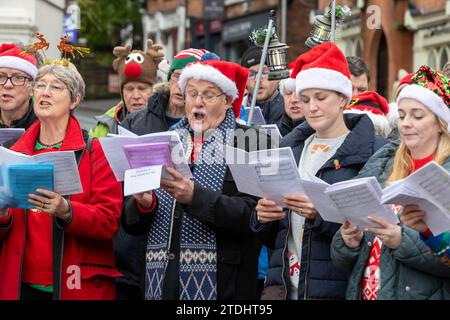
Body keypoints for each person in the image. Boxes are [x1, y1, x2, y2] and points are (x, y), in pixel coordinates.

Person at [122, 59, 274, 300]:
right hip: (160, 282)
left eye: (208, 95)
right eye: (191, 94)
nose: (198, 102)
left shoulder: (250, 141)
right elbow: (132, 225)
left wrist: (195, 198)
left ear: (227, 101)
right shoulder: (164, 140)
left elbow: (255, 217)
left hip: (224, 285)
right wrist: (143, 204)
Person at [252, 42, 387, 300]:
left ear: (343, 99)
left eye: (321, 98)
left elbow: (375, 230)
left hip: (334, 288)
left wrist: (321, 214)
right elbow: (276, 237)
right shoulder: (289, 149)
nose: (311, 107)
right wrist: (262, 217)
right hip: (283, 287)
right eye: (305, 99)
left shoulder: (373, 151)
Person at [0, 62, 123, 300]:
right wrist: (3, 215)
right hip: (20, 285)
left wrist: (67, 211)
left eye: (56, 87)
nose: (44, 92)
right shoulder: (12, 153)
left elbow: (109, 221)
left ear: (75, 100)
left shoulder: (95, 152)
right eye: (40, 85)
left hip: (75, 285)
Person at [331, 65, 450, 300]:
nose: (405, 123)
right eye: (402, 115)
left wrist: (401, 240)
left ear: (440, 123)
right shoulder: (383, 160)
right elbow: (343, 254)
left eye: (417, 116)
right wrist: (348, 241)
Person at [113, 49, 219, 300]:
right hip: (136, 246)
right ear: (169, 79)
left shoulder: (204, 125)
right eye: (178, 77)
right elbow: (120, 186)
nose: (182, 87)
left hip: (185, 248)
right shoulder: (136, 122)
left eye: (191, 83)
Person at [89, 39, 164, 138]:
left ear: (153, 90)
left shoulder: (167, 119)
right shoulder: (105, 124)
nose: (136, 96)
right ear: (122, 92)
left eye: (142, 89)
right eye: (129, 89)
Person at [240, 46, 284, 126]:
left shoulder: (291, 109)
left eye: (264, 73)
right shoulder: (235, 111)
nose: (257, 79)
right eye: (251, 74)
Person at [0, 43, 38, 130]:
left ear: (32, 88)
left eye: (18, 77)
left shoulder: (45, 125)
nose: (7, 84)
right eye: (1, 77)